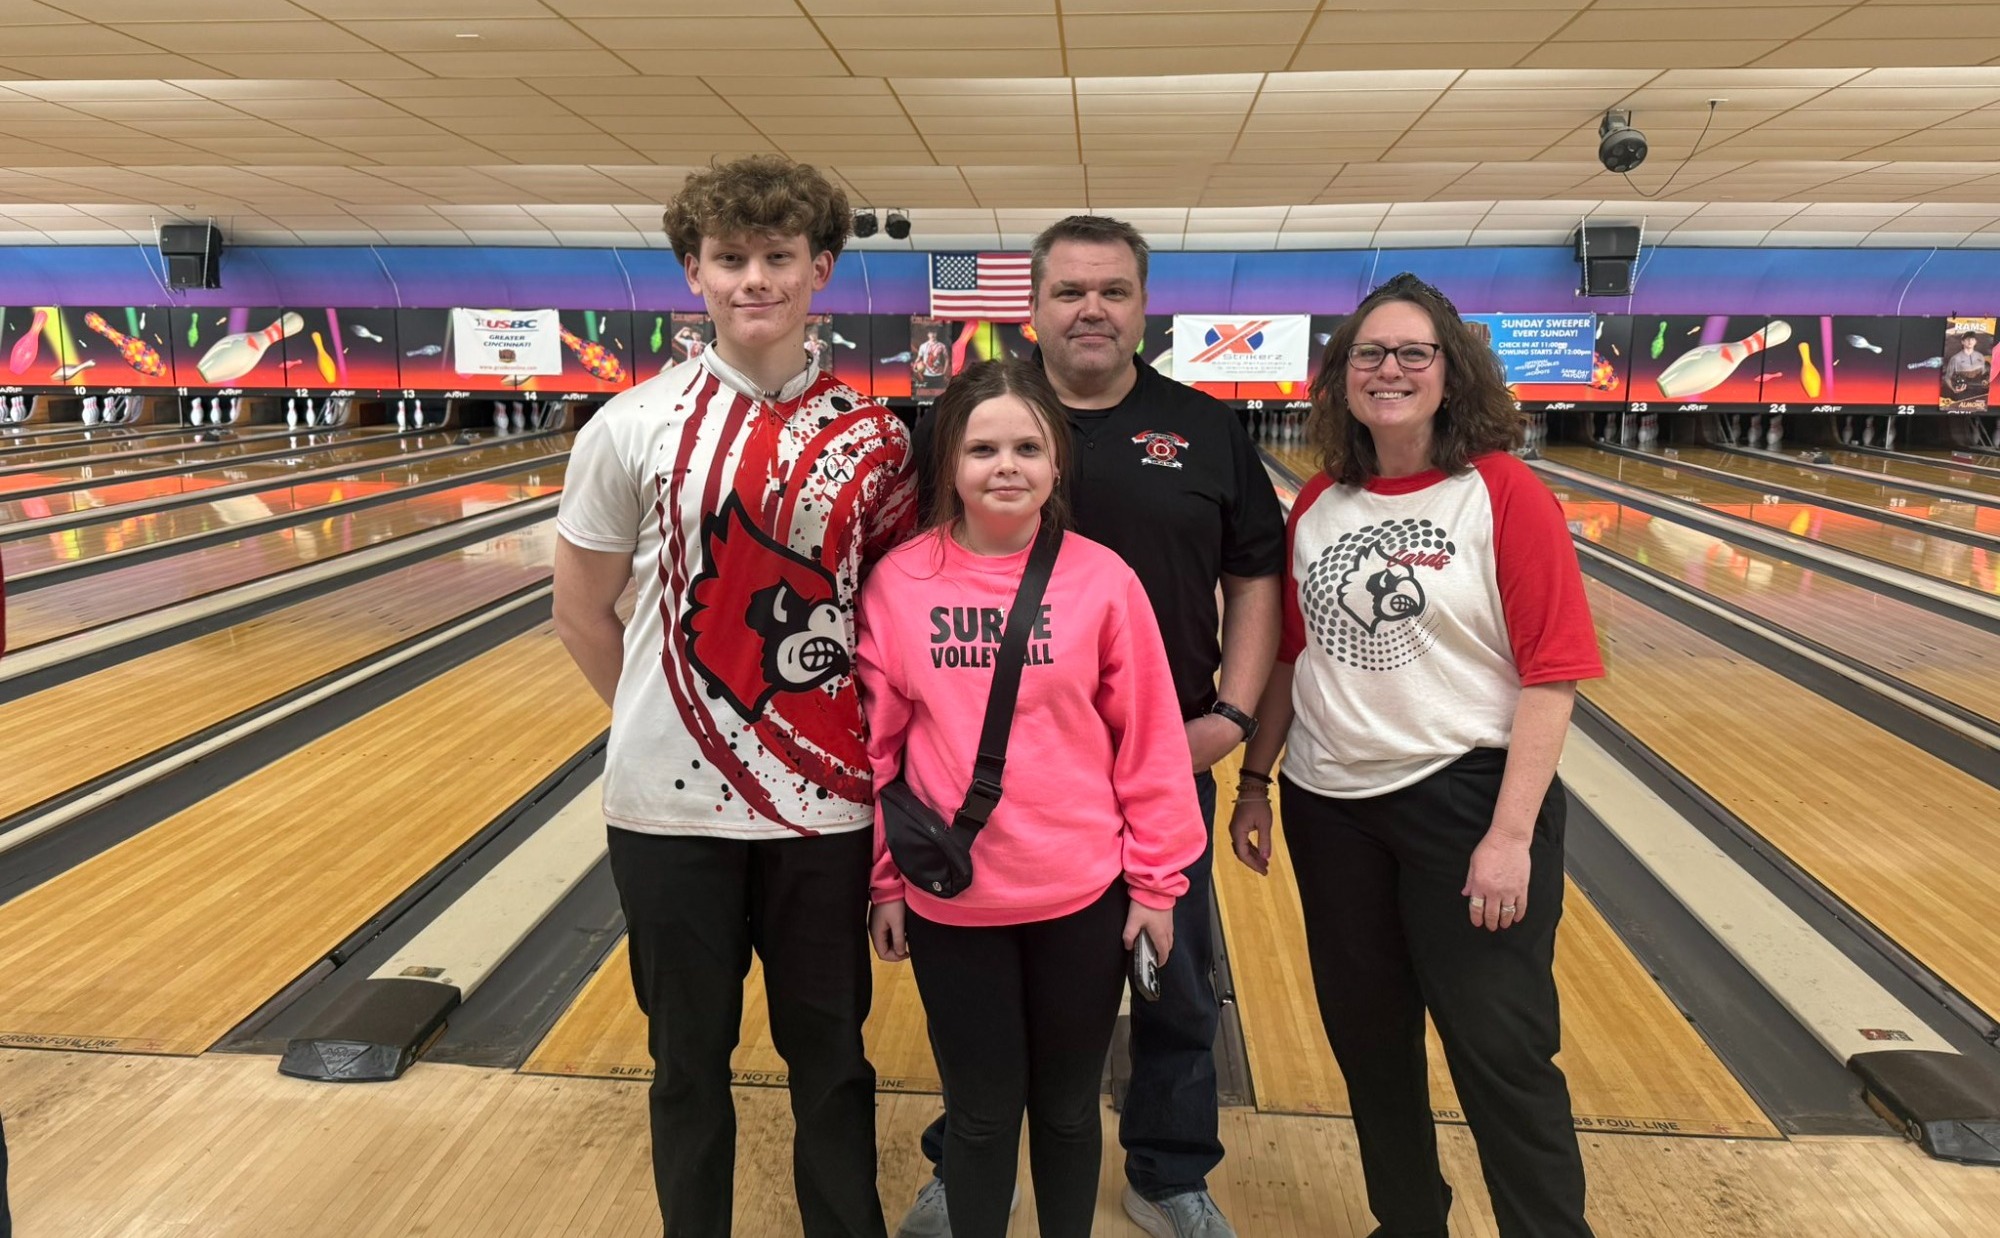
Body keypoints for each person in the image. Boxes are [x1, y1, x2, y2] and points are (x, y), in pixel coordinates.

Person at [899, 216, 1284, 1238]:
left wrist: (1231, 717)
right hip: (991, 778)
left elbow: (1254, 573)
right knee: (983, 991)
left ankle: (1164, 1169)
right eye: (1069, 290)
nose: (1090, 308)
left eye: (1112, 290)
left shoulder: (1204, 429)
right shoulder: (965, 416)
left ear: (1142, 305)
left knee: (1175, 978)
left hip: (1158, 765)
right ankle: (970, 1155)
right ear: (1030, 307)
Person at [553, 155, 915, 1238]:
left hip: (825, 809)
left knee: (831, 1058)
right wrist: (668, 721)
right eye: (728, 259)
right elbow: (580, 611)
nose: (752, 278)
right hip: (665, 815)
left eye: (776, 257)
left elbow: (887, 625)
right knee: (684, 1062)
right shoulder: (629, 425)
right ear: (692, 272)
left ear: (821, 269)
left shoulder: (879, 437)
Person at [1226, 273, 1604, 1238]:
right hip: (1330, 806)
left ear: (1449, 371)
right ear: (1343, 376)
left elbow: (1552, 674)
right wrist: (1258, 782)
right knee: (1371, 1045)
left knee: (1501, 1050)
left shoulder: (1503, 494)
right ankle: (1407, 1223)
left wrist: (1510, 834)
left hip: (1465, 802)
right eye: (1369, 355)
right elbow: (1288, 660)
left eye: (1412, 354)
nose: (1389, 371)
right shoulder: (1318, 501)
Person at [858, 359, 1206, 1238]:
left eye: (1026, 446)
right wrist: (886, 880)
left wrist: (1158, 886)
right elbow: (877, 751)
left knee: (1064, 1111)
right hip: (953, 897)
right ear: (949, 466)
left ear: (1056, 464)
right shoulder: (902, 582)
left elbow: (1151, 742)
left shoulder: (1103, 580)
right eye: (982, 448)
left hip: (1080, 895)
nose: (1004, 465)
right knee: (978, 1116)